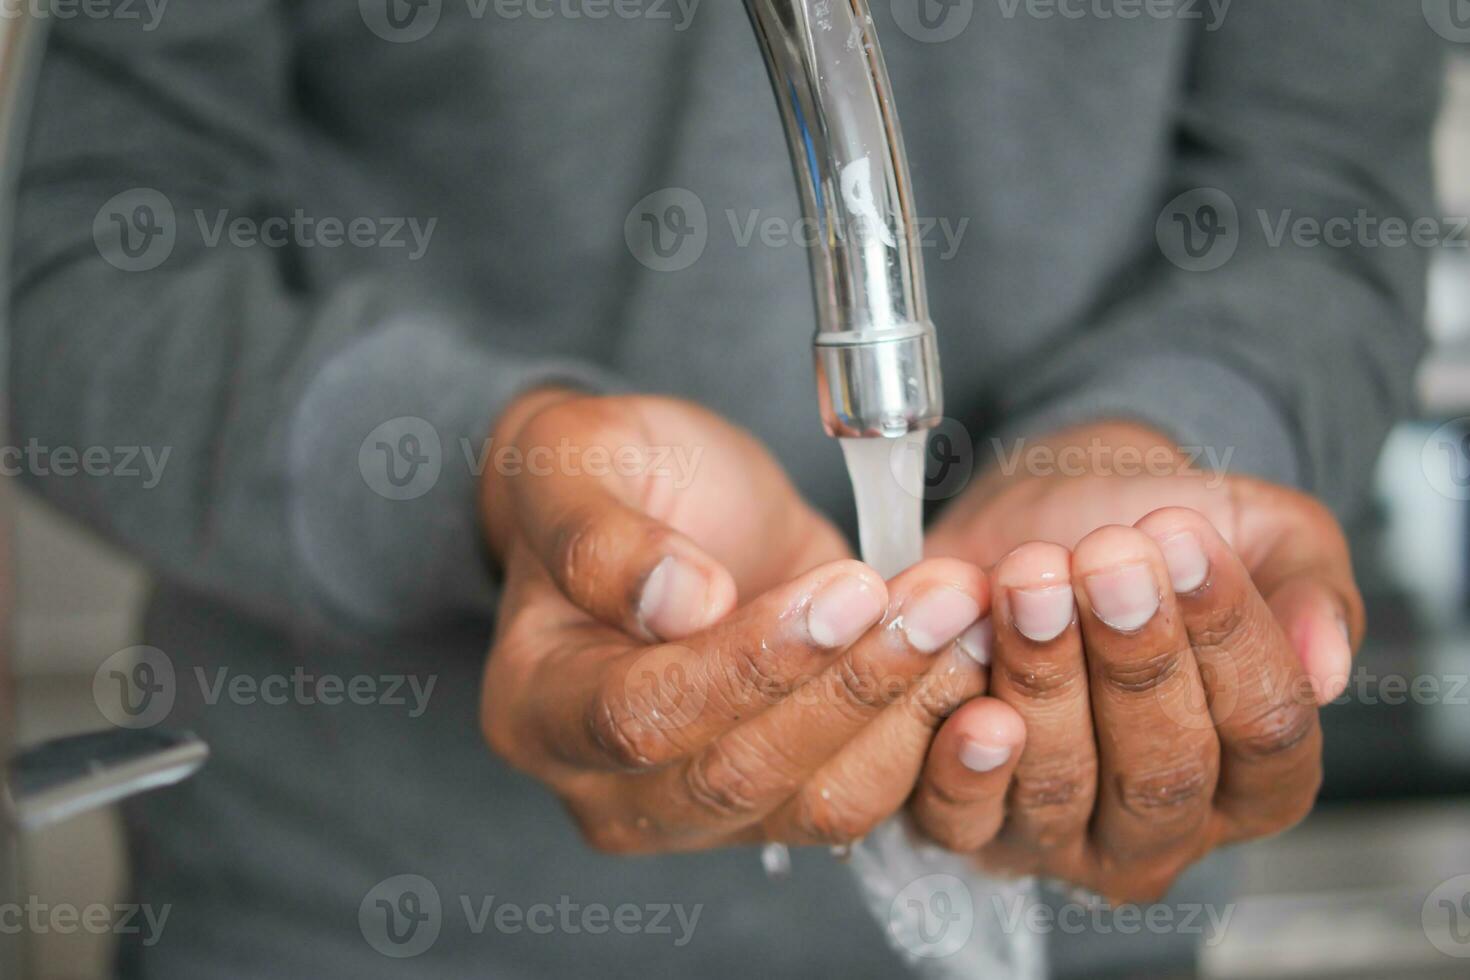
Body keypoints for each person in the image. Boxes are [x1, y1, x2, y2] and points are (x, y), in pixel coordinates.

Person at [8, 2, 1442, 977]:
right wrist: (484, 475)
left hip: (1064, 923)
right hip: (362, 922)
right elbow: (79, 255)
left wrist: (1155, 460)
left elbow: (1309, 205)